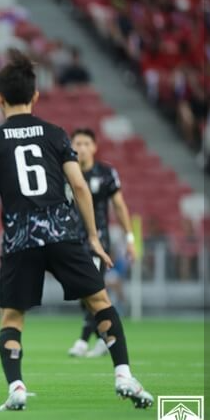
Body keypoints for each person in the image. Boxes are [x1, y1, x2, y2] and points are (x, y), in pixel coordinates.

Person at [0, 51, 152, 411]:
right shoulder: (55, 134)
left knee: (12, 317)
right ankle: (124, 375)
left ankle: (17, 387)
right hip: (62, 233)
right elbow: (80, 186)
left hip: (20, 239)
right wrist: (93, 237)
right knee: (100, 302)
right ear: (36, 96)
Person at [66, 128, 137, 358]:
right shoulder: (64, 172)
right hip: (70, 242)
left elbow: (119, 205)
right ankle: (103, 339)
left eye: (86, 143)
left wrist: (129, 238)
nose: (82, 148)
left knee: (92, 289)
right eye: (78, 143)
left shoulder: (106, 173)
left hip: (97, 242)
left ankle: (82, 340)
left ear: (95, 147)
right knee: (83, 294)